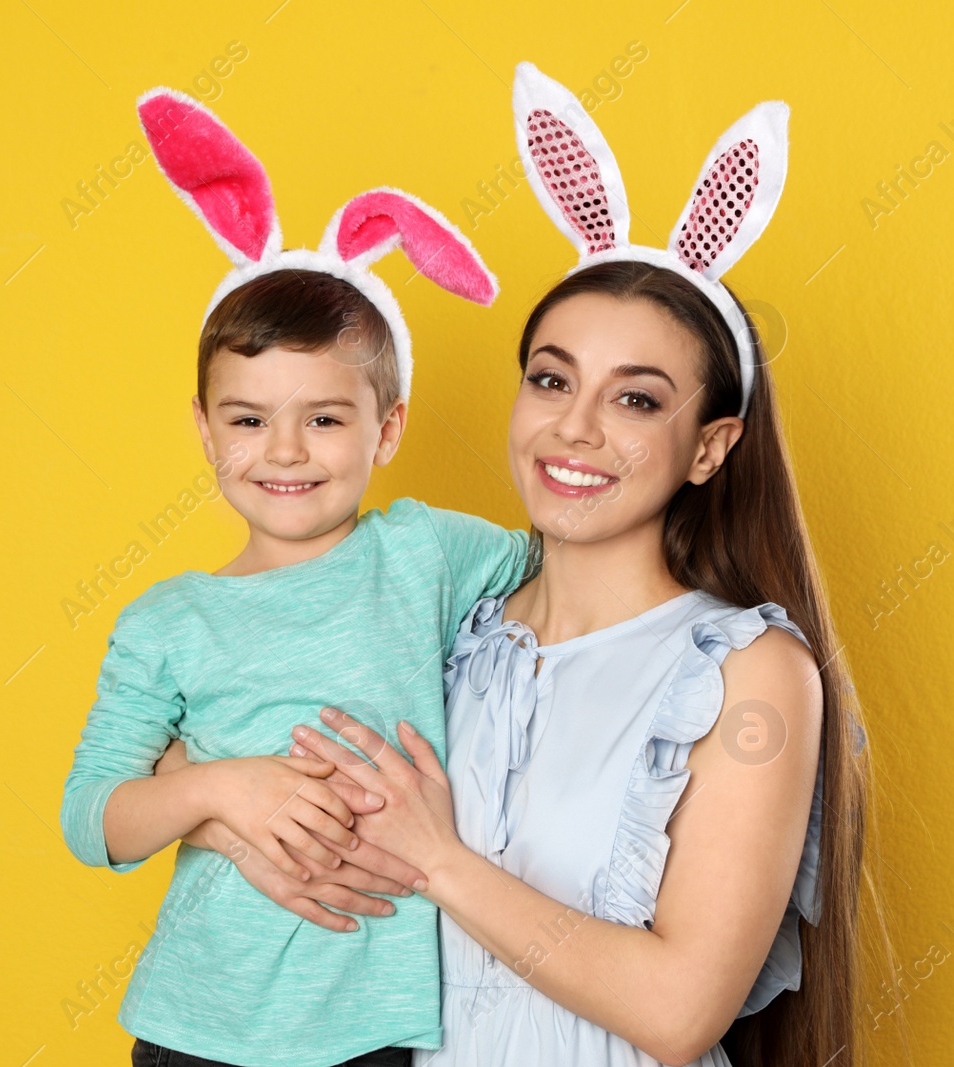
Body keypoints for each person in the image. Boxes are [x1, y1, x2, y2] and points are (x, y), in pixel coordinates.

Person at [162, 63, 868, 1067]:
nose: (573, 428)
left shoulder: (747, 672)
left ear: (709, 446)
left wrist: (438, 860)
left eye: (635, 398)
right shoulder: (438, 618)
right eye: (550, 378)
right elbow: (187, 727)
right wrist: (235, 808)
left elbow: (676, 1011)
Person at [59, 87, 537, 1066]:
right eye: (248, 418)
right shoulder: (169, 617)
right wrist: (221, 790)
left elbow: (574, 564)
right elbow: (91, 815)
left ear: (386, 428)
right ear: (204, 428)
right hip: (200, 1023)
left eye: (323, 417)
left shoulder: (423, 552)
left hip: (383, 1026)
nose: (285, 449)